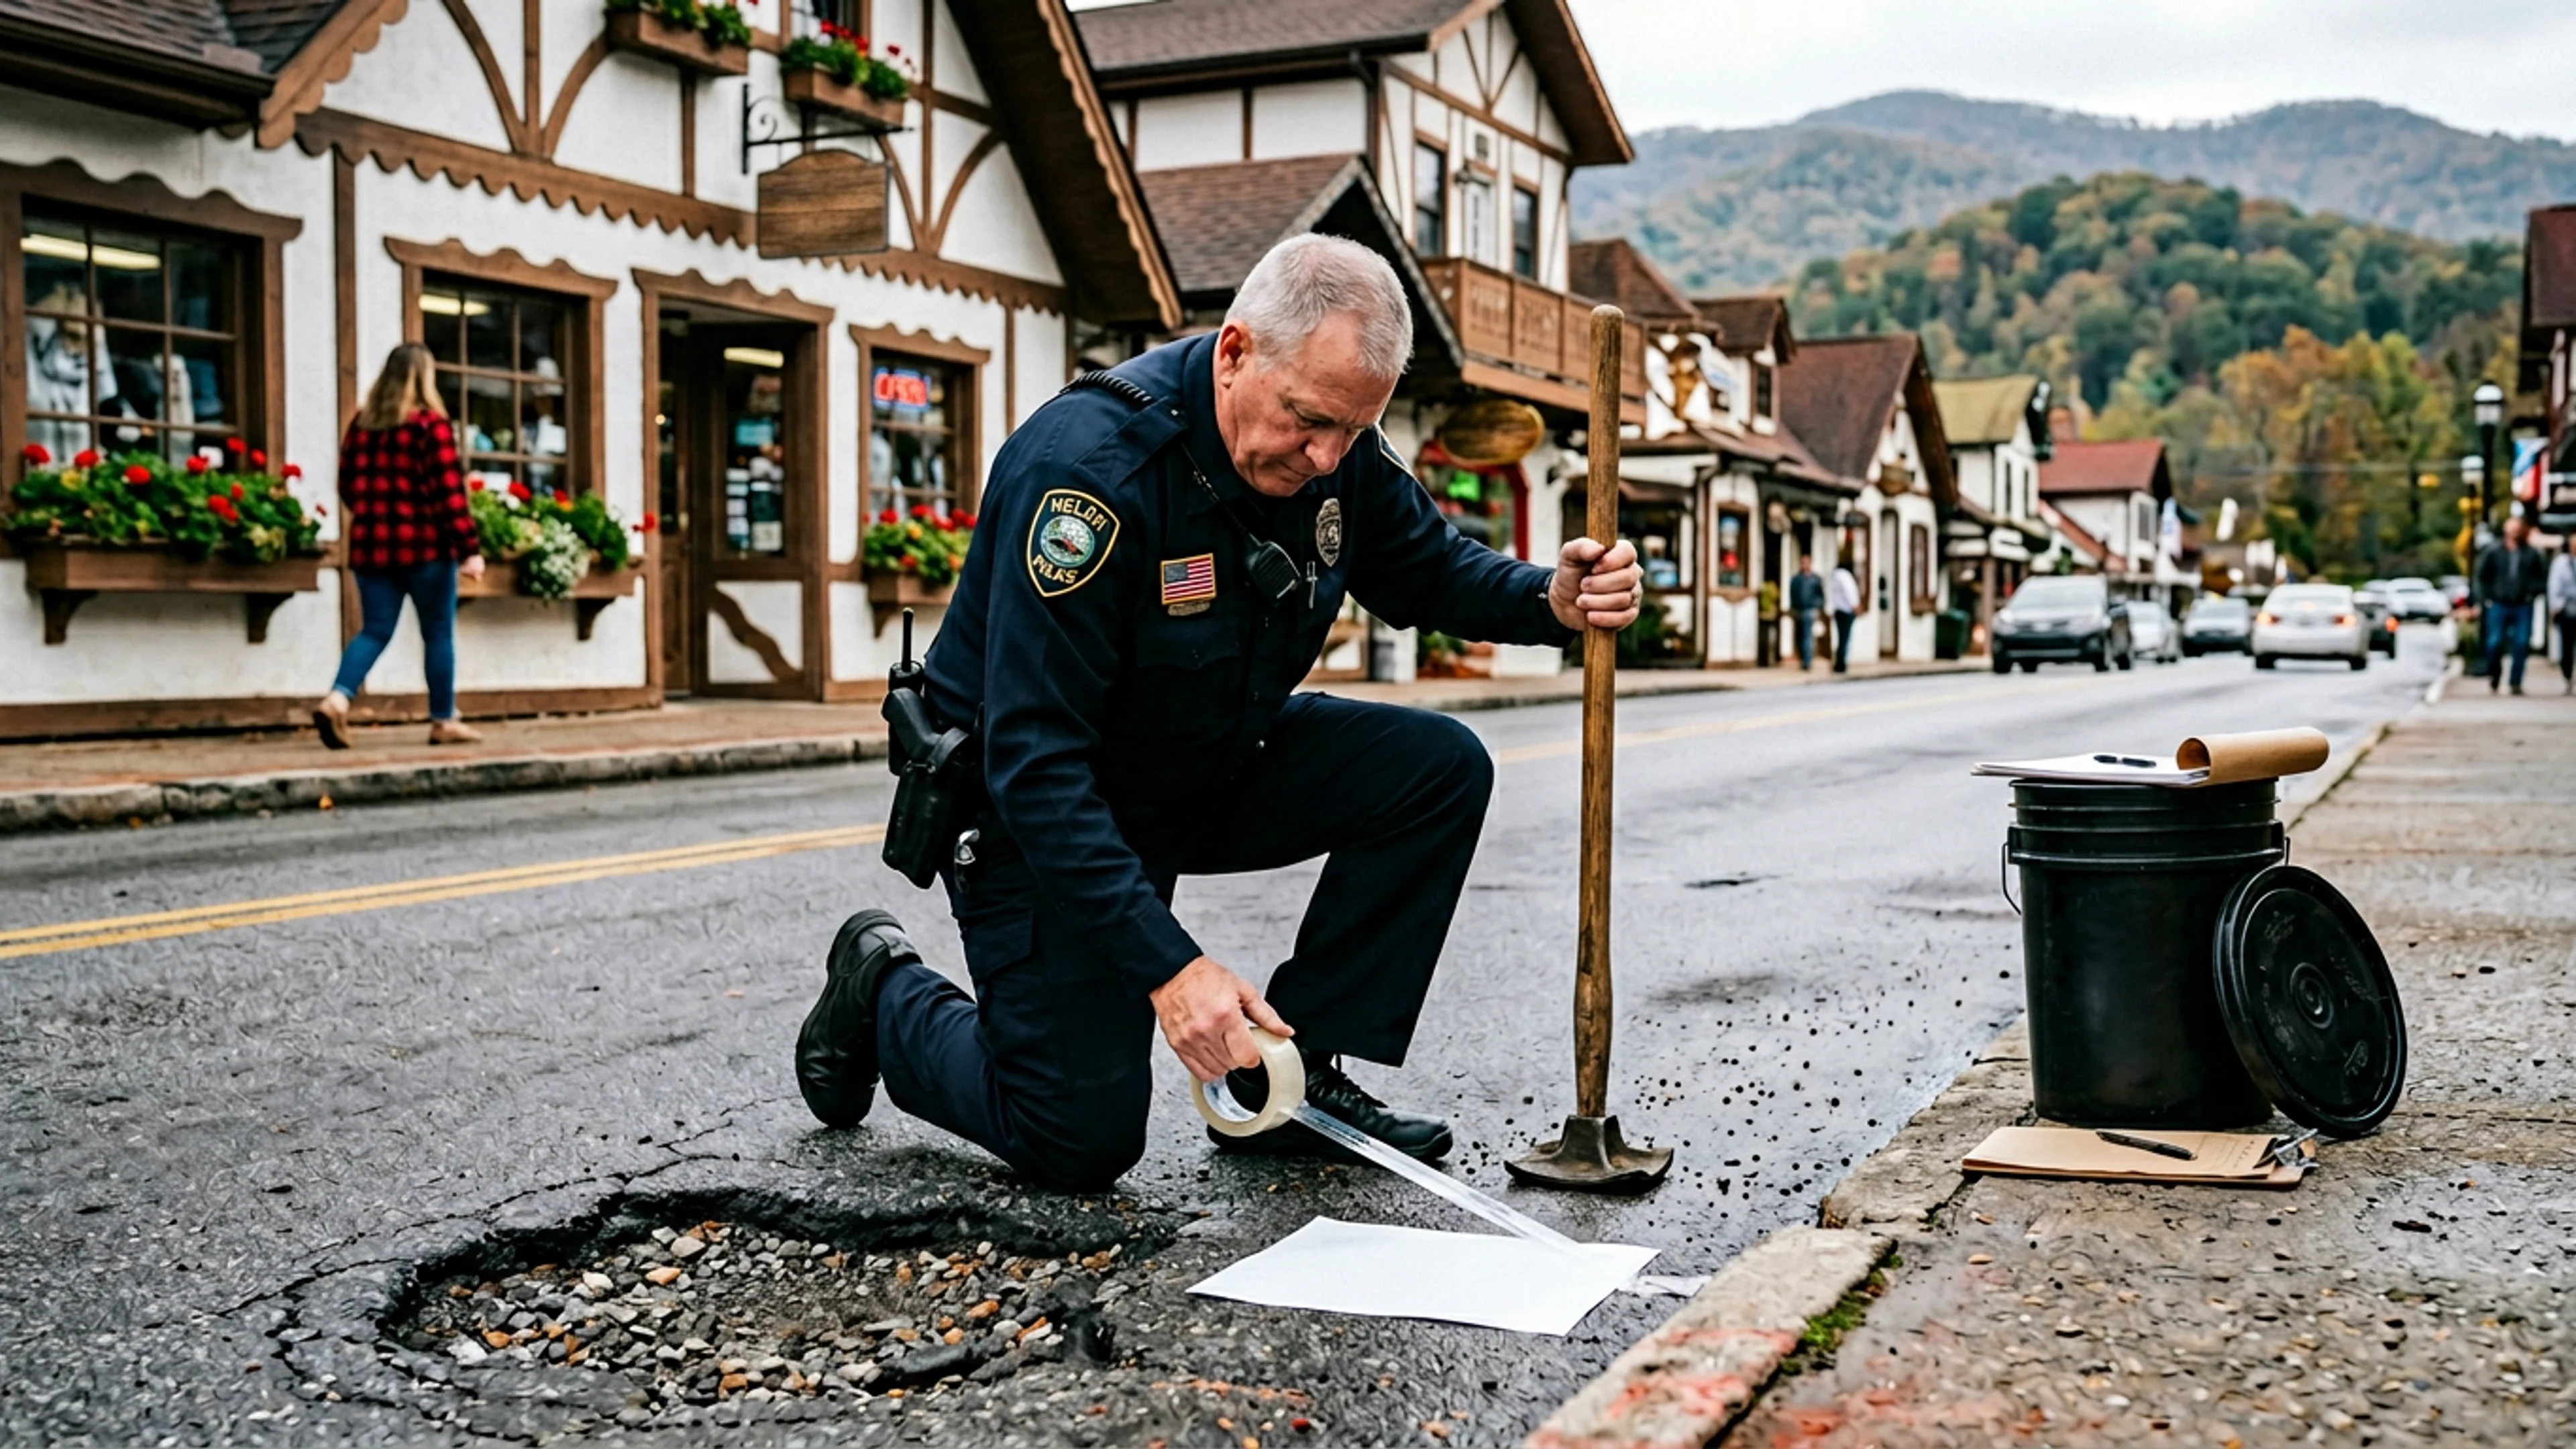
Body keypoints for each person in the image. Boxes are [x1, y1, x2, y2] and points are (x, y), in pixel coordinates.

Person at [793, 235, 1644, 1191]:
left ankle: (1293, 1086)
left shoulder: (1335, 444)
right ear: (1236, 352)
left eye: (1352, 434)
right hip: (1034, 808)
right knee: (1077, 1136)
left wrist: (1551, 599)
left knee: (1436, 766)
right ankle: (880, 993)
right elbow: (1033, 765)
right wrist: (1174, 971)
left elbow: (1431, 566)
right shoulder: (1086, 477)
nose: (1327, 458)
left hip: (1195, 761)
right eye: (1309, 422)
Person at [311, 343, 486, 748]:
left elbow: (348, 487)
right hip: (426, 549)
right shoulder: (431, 427)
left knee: (374, 631)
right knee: (438, 633)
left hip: (372, 549)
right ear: (426, 378)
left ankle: (337, 699)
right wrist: (469, 549)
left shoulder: (362, 426)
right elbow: (450, 495)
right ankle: (443, 721)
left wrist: (375, 516)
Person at [2473, 515, 2547, 695]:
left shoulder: (2530, 553)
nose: (2514, 532)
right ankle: (2495, 674)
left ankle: (2516, 681)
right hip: (2498, 603)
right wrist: (2485, 599)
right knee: (2494, 642)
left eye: (2517, 528)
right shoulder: (2493, 551)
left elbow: (2541, 577)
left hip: (2522, 604)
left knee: (2521, 643)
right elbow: (2481, 577)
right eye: (2511, 528)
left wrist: (2532, 593)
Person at [2549, 531, 2576, 696]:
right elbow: (2554, 585)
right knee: (2567, 645)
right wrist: (2556, 606)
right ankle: (2568, 675)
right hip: (2566, 609)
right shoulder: (2561, 562)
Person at [1787, 554, 1824, 669]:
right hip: (1798, 610)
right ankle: (1803, 658)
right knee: (1799, 636)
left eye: (1807, 563)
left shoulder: (1815, 579)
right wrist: (1793, 608)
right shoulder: (1796, 579)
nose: (1805, 565)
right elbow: (1792, 594)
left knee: (1807, 636)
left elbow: (1821, 595)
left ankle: (1807, 661)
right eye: (1803, 563)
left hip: (1809, 610)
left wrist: (1817, 607)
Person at [1827, 560, 1860, 673]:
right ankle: (1841, 663)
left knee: (1841, 638)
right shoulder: (1844, 576)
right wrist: (1855, 606)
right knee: (1845, 639)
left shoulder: (1835, 576)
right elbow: (1849, 592)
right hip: (1846, 610)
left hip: (1839, 610)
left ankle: (1839, 663)